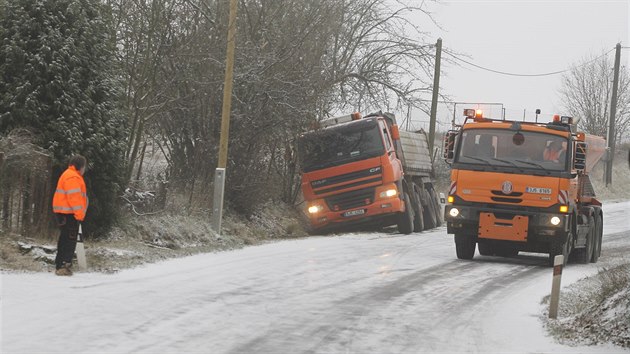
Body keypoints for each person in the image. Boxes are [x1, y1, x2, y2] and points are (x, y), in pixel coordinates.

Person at [52, 155, 88, 276]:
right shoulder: (73, 177)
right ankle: (63, 265)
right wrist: (80, 214)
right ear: (80, 166)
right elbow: (75, 198)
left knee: (64, 238)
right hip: (69, 214)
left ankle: (60, 264)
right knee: (69, 239)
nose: (85, 170)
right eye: (84, 167)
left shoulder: (69, 174)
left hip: (64, 213)